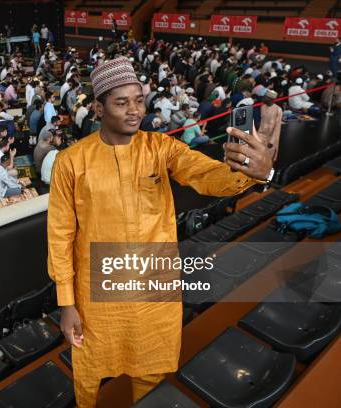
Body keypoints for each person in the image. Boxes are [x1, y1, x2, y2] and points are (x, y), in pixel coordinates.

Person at [47, 57, 274, 407]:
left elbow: (207, 176)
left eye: (139, 100)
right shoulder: (72, 161)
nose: (134, 110)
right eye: (121, 103)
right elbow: (60, 235)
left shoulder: (160, 148)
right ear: (98, 107)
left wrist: (255, 173)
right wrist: (67, 304)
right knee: (89, 373)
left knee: (150, 373)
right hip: (96, 296)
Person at [258, 90, 282, 162]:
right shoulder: (262, 107)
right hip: (261, 134)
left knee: (268, 158)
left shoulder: (278, 109)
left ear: (270, 99)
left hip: (271, 136)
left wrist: (272, 141)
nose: (263, 98)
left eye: (265, 97)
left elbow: (277, 127)